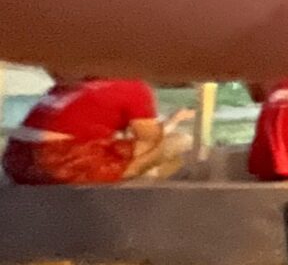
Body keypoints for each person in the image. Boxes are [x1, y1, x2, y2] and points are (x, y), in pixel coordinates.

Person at [2, 72, 183, 185]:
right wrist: (138, 166)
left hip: (15, 160)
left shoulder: (71, 81)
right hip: (60, 163)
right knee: (177, 142)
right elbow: (150, 139)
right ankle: (137, 192)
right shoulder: (132, 86)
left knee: (126, 148)